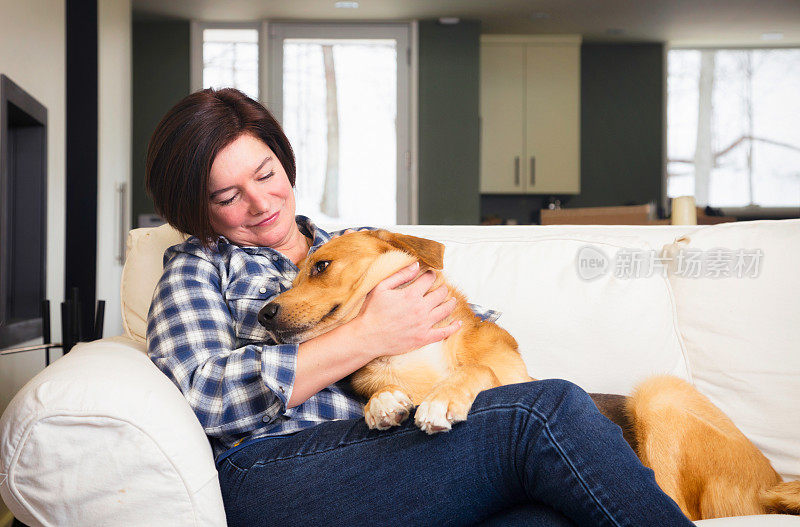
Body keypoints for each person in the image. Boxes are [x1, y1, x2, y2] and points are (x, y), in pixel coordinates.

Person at [145, 87, 693, 527]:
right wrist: (367, 336)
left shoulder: (358, 245)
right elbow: (203, 395)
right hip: (279, 472)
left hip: (408, 447)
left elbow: (467, 333)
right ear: (197, 208)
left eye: (266, 175)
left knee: (548, 515)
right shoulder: (198, 266)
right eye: (228, 196)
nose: (262, 203)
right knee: (545, 412)